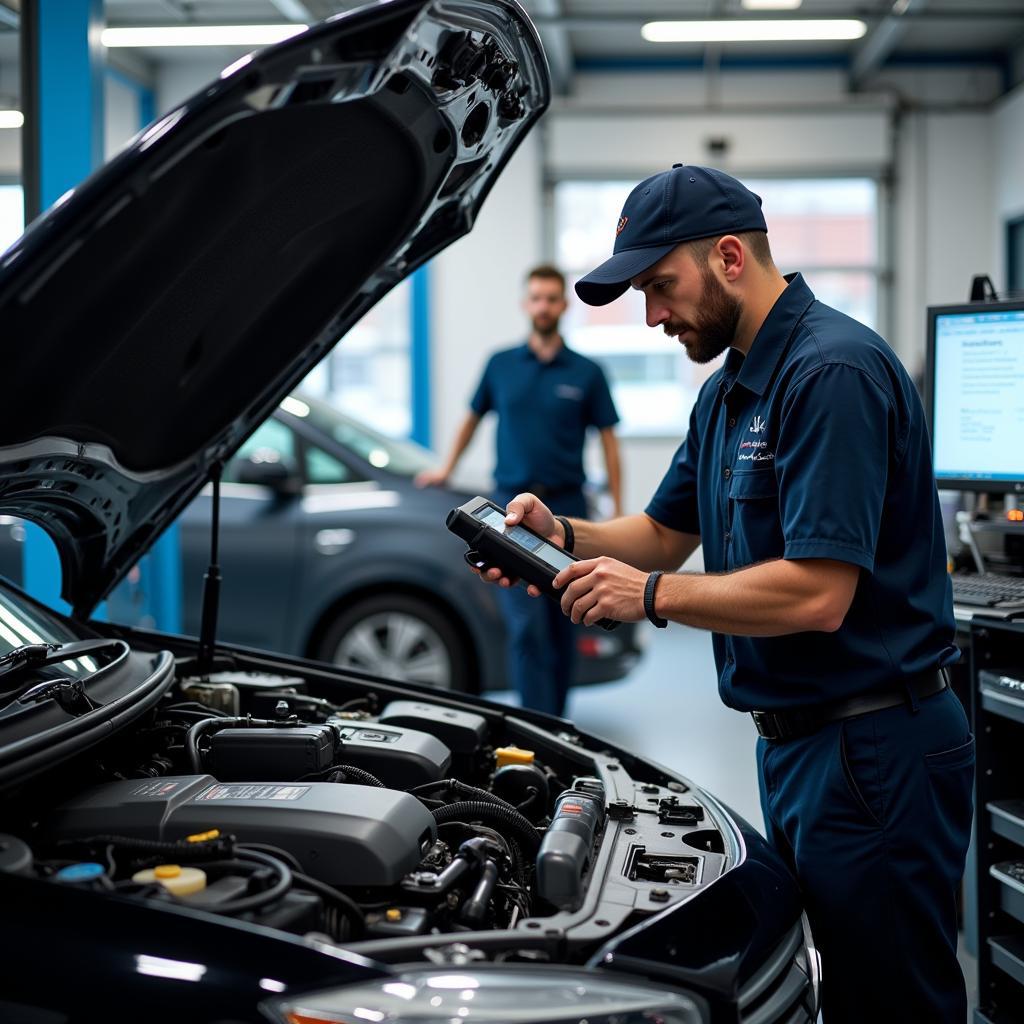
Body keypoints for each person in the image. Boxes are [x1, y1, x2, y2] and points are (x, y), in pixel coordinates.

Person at [475, 166, 973, 1023]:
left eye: (660, 286)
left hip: (877, 746)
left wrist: (654, 597)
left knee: (893, 1003)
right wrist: (558, 536)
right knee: (829, 986)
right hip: (798, 745)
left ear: (731, 256)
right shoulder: (727, 394)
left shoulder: (832, 375)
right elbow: (663, 533)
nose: (653, 314)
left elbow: (818, 594)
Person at [417, 264, 621, 716]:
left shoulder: (587, 372)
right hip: (509, 514)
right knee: (527, 627)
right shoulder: (500, 364)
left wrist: (619, 512)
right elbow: (472, 418)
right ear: (525, 303)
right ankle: (536, 725)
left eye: (552, 298)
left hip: (567, 507)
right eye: (536, 298)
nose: (543, 306)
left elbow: (608, 441)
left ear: (563, 306)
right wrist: (445, 468)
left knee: (566, 620)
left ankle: (557, 724)